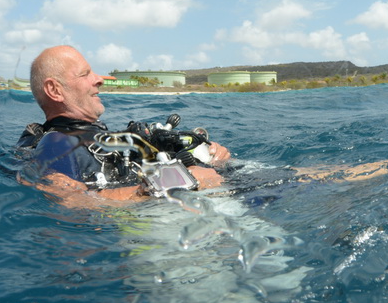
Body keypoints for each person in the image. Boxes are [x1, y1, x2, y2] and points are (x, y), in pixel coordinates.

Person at [17, 45, 230, 208]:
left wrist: (210, 157)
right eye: (85, 74)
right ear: (55, 90)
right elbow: (71, 202)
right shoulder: (56, 143)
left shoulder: (98, 138)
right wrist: (186, 181)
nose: (99, 79)